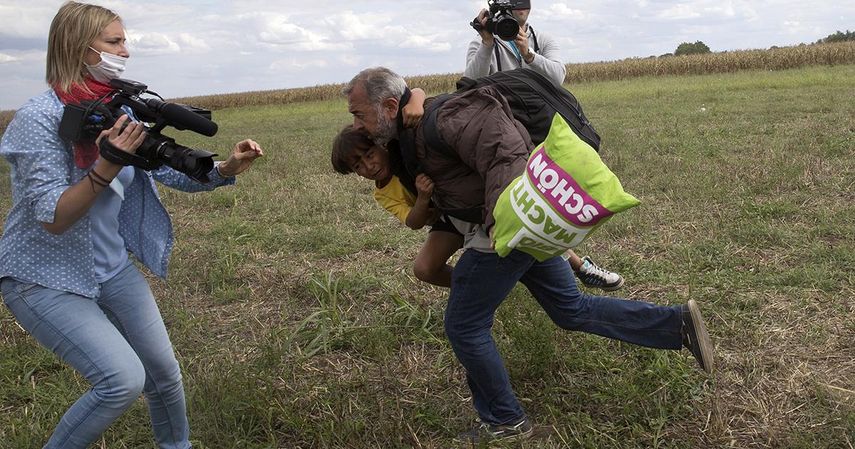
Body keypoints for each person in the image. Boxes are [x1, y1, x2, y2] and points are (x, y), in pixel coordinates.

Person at [344, 67, 714, 444]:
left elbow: (504, 149)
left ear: (390, 105)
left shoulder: (443, 116)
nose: (358, 124)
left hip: (503, 231)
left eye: (359, 114)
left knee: (464, 325)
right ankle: (675, 324)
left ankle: (505, 420)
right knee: (572, 310)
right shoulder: (407, 125)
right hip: (518, 229)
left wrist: (500, 223)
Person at [0, 3, 263, 448]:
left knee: (163, 375)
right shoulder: (39, 119)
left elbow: (164, 169)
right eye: (115, 42)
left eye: (124, 40)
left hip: (111, 267)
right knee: (121, 381)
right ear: (81, 49)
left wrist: (225, 167)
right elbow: (54, 218)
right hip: (42, 277)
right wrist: (107, 163)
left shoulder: (120, 110)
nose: (127, 51)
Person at [465, 1, 624, 291]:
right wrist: (487, 41)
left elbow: (558, 78)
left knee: (549, 196)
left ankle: (569, 266)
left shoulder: (542, 39)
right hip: (501, 128)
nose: (519, 10)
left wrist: (528, 53)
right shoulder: (482, 41)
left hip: (540, 127)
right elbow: (469, 82)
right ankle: (577, 266)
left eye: (523, 4)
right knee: (529, 200)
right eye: (512, 5)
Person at [331, 125, 463, 287]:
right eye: (358, 166)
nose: (369, 166)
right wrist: (422, 199)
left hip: (464, 203)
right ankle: (473, 285)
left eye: (370, 155)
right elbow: (413, 222)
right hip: (446, 222)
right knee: (423, 269)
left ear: (382, 144)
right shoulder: (382, 193)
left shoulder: (405, 152)